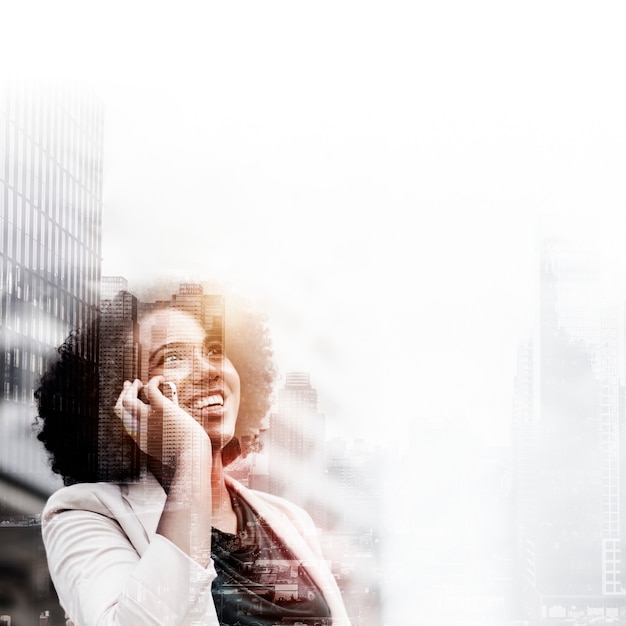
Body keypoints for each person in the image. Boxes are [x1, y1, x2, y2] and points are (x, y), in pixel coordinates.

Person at [35, 288, 351, 626]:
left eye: (215, 350)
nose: (209, 370)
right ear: (125, 397)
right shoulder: (83, 514)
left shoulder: (289, 519)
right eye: (172, 358)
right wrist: (191, 452)